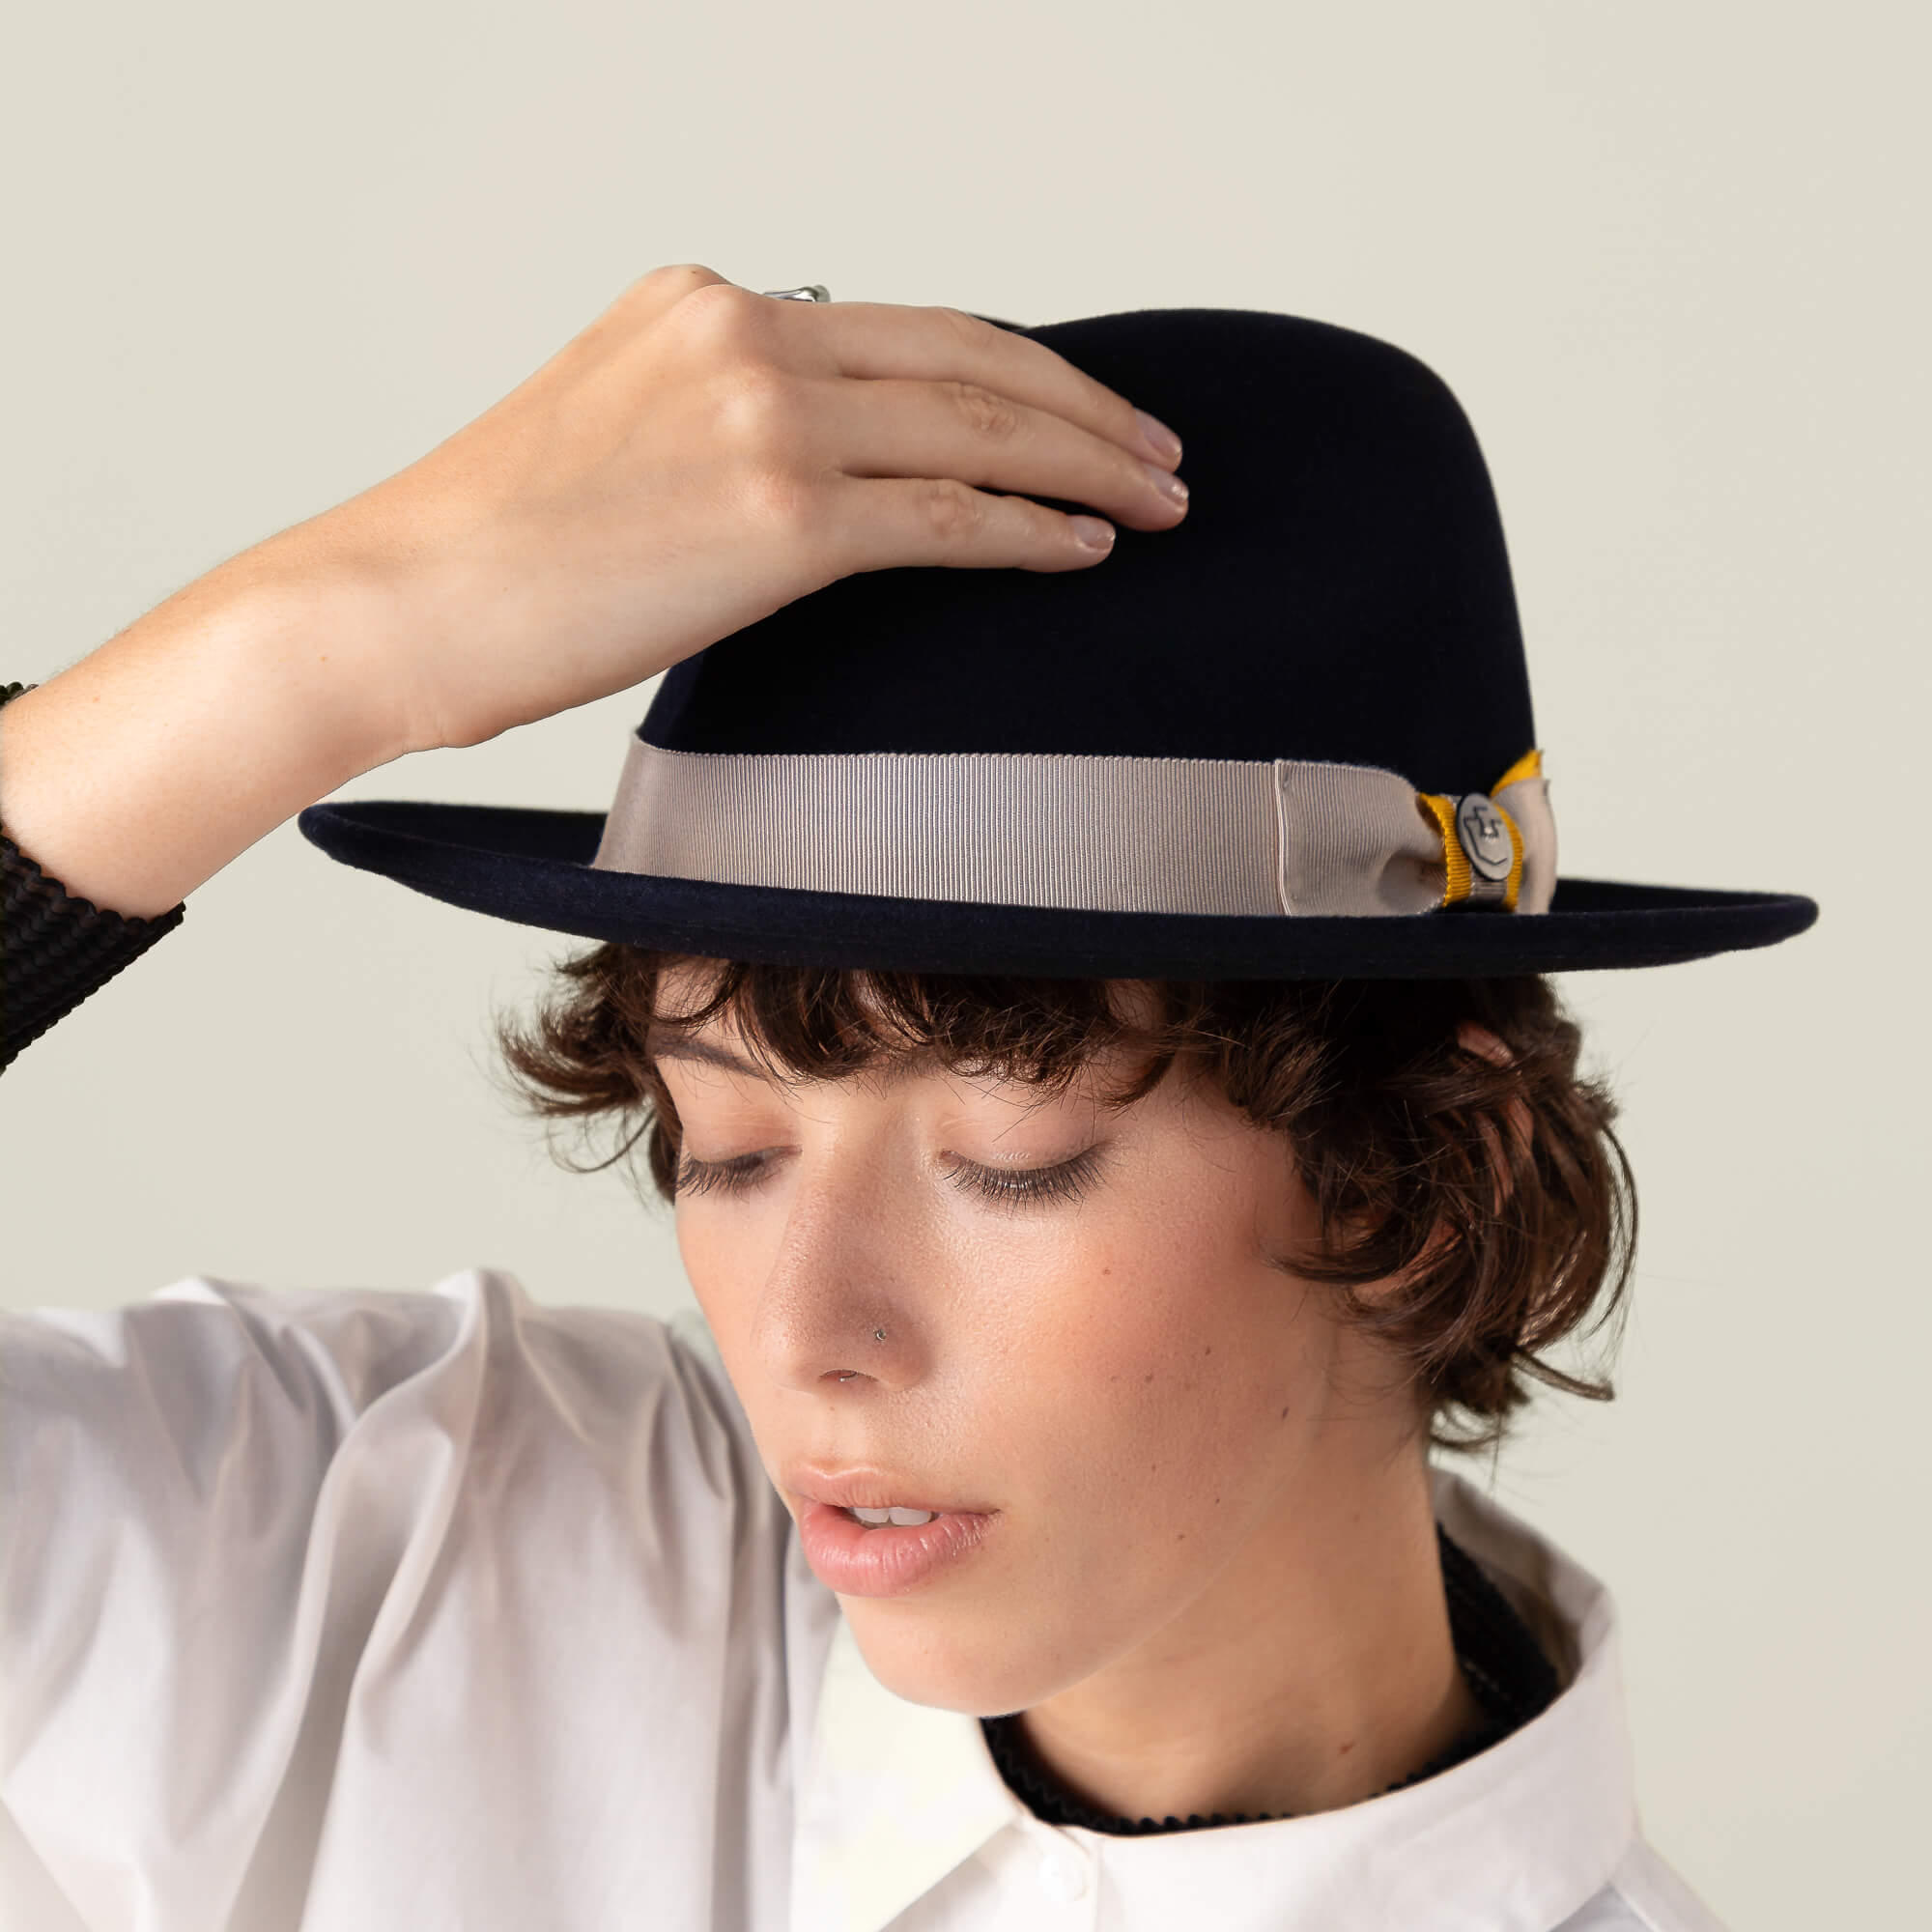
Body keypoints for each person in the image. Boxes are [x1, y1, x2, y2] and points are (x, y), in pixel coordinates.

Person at [0, 265, 1815, 1930]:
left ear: (1421, 1179)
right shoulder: (414, 1562)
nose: (808, 1334)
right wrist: (303, 646)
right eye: (732, 1147)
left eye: (1005, 1162)